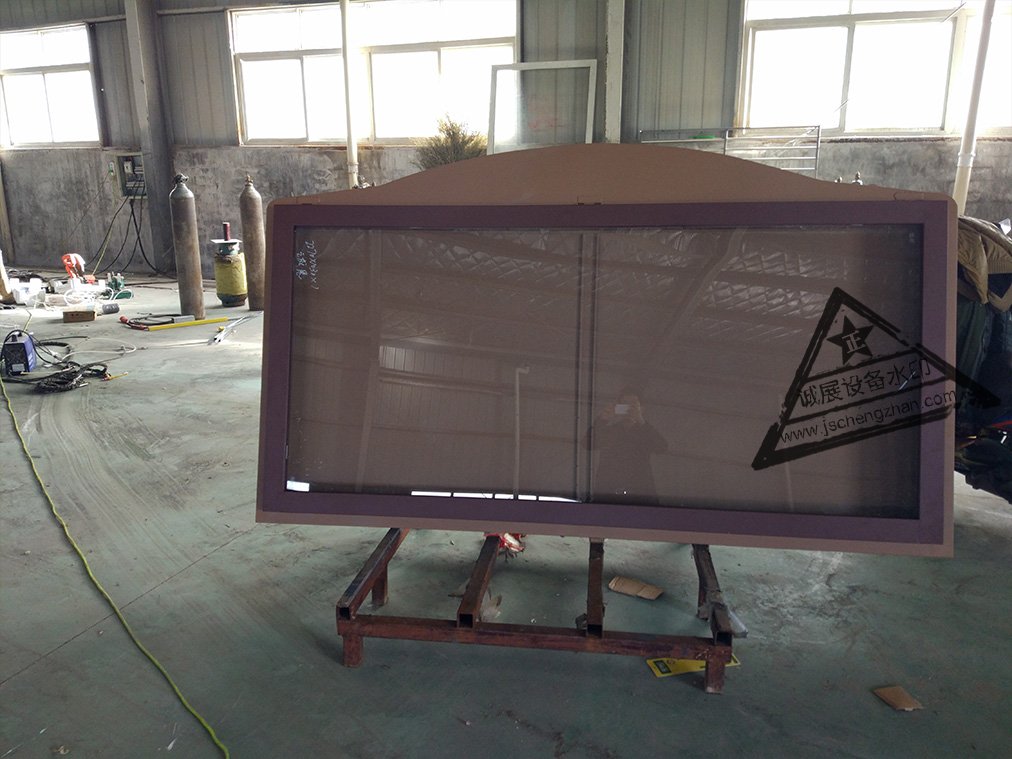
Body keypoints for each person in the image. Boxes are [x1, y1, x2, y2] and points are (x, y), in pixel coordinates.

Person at [585, 390, 668, 505]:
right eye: (625, 404)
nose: (629, 409)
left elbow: (662, 447)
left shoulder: (645, 432)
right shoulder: (610, 431)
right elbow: (587, 444)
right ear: (618, 408)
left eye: (633, 405)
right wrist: (603, 419)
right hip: (608, 494)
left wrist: (641, 420)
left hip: (641, 495)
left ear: (642, 409)